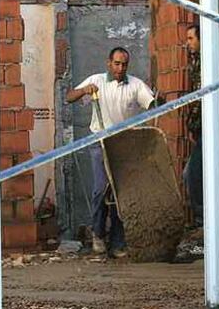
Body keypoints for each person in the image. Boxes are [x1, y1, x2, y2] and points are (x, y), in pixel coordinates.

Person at [66, 47, 155, 258]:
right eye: (116, 63)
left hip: (124, 144)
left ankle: (117, 241)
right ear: (109, 63)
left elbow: (151, 103)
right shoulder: (96, 80)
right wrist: (84, 90)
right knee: (100, 189)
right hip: (100, 140)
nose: (120, 68)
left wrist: (157, 103)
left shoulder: (135, 85)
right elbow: (70, 97)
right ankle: (98, 234)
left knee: (119, 192)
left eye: (124, 64)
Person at [182, 24, 203, 228]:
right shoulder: (195, 62)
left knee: (192, 173)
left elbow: (200, 101)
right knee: (191, 173)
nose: (187, 43)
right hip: (199, 130)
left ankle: (201, 220)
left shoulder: (206, 63)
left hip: (206, 130)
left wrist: (191, 125)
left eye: (190, 39)